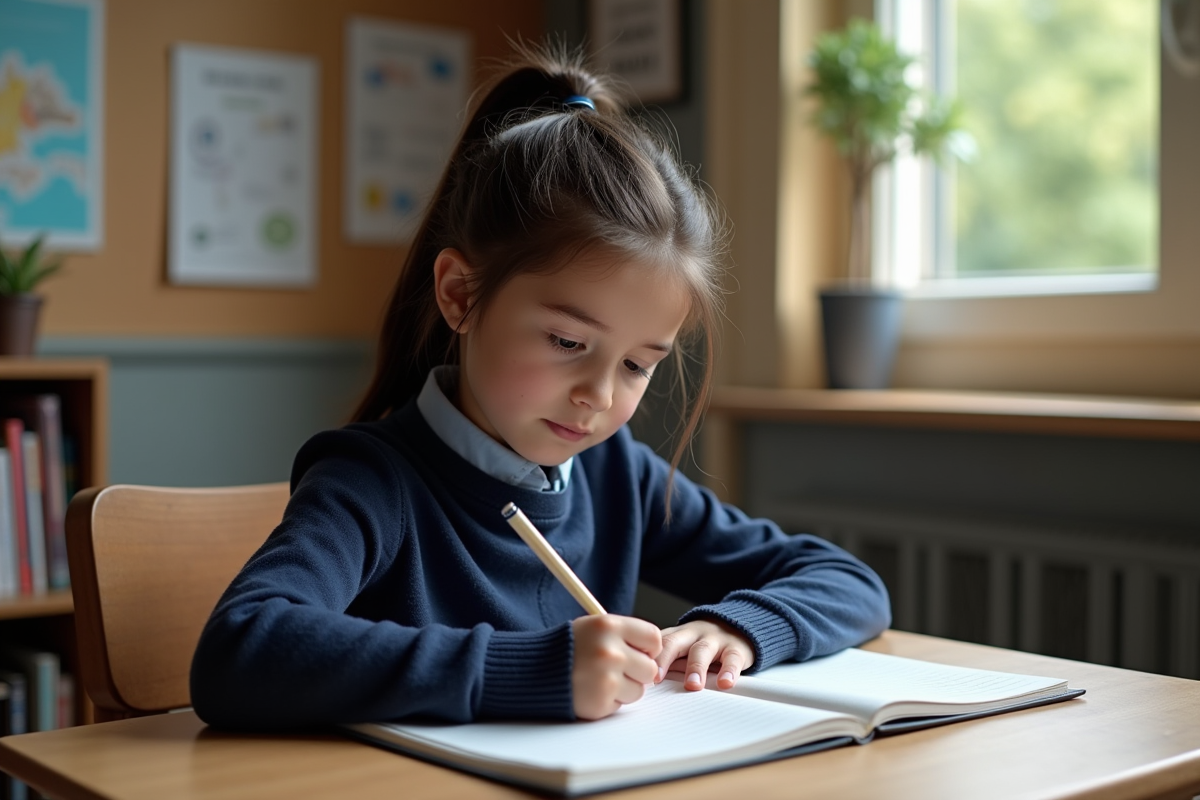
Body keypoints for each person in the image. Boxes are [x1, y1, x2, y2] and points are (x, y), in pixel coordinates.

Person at [189, 43, 891, 730]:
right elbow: (239, 651)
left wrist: (738, 627)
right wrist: (528, 669)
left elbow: (851, 584)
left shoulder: (617, 476)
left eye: (638, 364)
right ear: (460, 295)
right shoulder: (373, 481)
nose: (600, 395)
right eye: (566, 343)